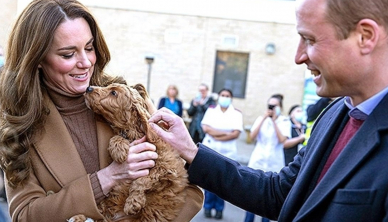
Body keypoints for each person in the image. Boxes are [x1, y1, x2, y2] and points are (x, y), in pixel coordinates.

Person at [148, 0, 388, 220]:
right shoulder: (334, 114)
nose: (298, 57)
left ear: (365, 37)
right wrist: (190, 150)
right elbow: (278, 193)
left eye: (310, 40)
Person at [0, 0, 202, 221]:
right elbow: (24, 214)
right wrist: (106, 178)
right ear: (36, 59)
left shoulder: (128, 101)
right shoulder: (18, 126)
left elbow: (189, 191)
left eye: (89, 48)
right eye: (68, 54)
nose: (85, 62)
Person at [244, 94, 291, 222]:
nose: (271, 108)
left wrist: (275, 121)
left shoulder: (285, 121)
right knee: (252, 195)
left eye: (274, 106)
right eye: (269, 105)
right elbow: (251, 137)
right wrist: (264, 118)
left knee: (269, 197)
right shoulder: (261, 118)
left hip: (274, 162)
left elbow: (283, 140)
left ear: (280, 107)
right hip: (258, 160)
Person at [200, 88, 243, 220]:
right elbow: (206, 128)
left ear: (231, 98)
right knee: (209, 180)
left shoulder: (236, 113)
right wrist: (225, 133)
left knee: (223, 182)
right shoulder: (212, 110)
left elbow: (235, 133)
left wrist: (216, 134)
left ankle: (219, 209)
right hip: (210, 149)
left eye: (227, 95)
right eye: (222, 95)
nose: (224, 97)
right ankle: (207, 206)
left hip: (227, 151)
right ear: (219, 97)